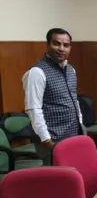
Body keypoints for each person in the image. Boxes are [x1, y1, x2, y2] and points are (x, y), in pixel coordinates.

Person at [22, 28, 86, 162]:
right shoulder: (37, 72)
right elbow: (33, 109)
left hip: (74, 135)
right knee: (55, 174)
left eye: (66, 45)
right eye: (56, 44)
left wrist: (81, 125)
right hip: (52, 140)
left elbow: (74, 101)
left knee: (74, 172)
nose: (61, 49)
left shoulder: (71, 70)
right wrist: (46, 140)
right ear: (47, 45)